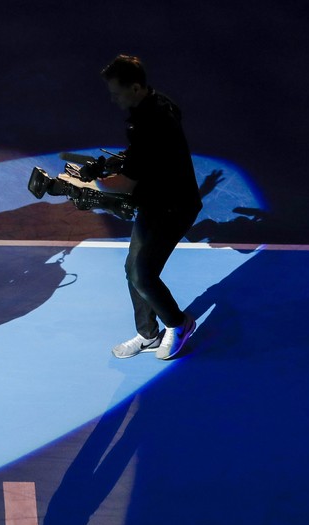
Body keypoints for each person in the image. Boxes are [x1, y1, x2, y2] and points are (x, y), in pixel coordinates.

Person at [97, 55, 202, 360]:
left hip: (176, 207)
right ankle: (148, 334)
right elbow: (146, 157)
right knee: (132, 269)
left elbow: (125, 184)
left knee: (143, 273)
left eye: (117, 92)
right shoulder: (159, 103)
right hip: (154, 201)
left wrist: (87, 185)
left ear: (136, 87)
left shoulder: (150, 123)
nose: (112, 98)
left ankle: (179, 324)